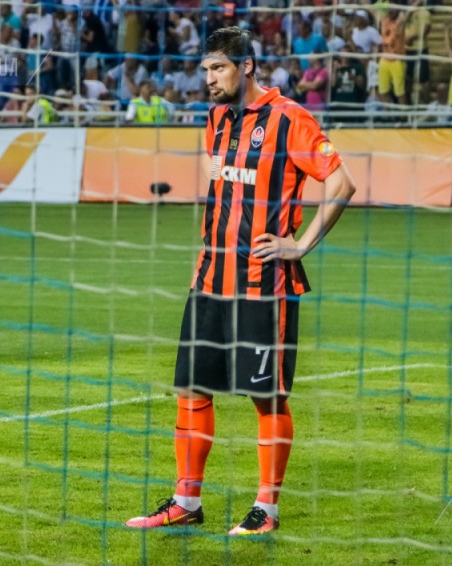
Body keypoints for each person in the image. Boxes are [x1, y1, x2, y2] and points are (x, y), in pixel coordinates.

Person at [125, 26, 356, 536]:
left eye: (218, 68)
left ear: (246, 66)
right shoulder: (214, 119)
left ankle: (265, 509)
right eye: (205, 69)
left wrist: (300, 245)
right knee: (191, 388)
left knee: (266, 396)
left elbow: (342, 182)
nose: (209, 79)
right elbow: (224, 194)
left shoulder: (289, 119)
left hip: (263, 285)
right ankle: (186, 501)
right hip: (211, 278)